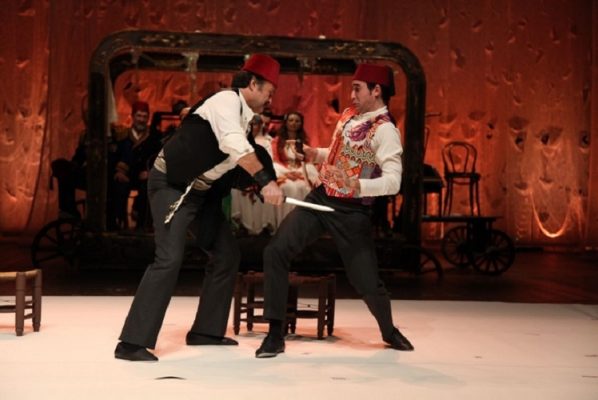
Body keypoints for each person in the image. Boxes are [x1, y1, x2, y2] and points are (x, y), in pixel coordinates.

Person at [115, 54, 284, 362]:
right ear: (253, 83)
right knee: (168, 257)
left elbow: (228, 165)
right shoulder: (225, 102)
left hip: (201, 193)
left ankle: (206, 331)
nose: (271, 99)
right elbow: (233, 145)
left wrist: (259, 185)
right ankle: (130, 343)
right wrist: (264, 180)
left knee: (226, 253)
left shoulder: (244, 121)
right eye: (269, 91)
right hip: (172, 185)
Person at [255, 63, 414, 358]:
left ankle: (388, 330)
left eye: (357, 88)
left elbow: (393, 182)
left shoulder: (386, 131)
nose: (351, 94)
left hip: (351, 211)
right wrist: (316, 154)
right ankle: (275, 333)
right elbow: (339, 153)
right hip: (320, 198)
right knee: (276, 250)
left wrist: (357, 185)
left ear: (376, 90)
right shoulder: (349, 115)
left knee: (366, 281)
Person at [111, 101, 162, 230]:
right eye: (139, 116)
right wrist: (118, 172)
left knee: (148, 188)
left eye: (145, 117)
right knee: (118, 187)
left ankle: (142, 226)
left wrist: (150, 172)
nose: (141, 120)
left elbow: (158, 159)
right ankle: (118, 223)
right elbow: (115, 157)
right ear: (133, 116)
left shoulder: (154, 138)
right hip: (126, 175)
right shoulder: (123, 136)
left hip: (143, 177)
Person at [231, 114, 277, 235]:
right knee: (235, 192)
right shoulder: (231, 149)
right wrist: (243, 186)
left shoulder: (261, 150)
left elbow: (270, 173)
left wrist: (256, 185)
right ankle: (240, 225)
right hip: (237, 185)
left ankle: (264, 225)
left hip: (259, 184)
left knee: (267, 192)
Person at [271, 111, 318, 227]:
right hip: (282, 172)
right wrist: (286, 173)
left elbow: (307, 160)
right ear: (286, 122)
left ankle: (301, 225)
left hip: (301, 172)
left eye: (297, 121)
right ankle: (284, 224)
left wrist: (299, 173)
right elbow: (275, 160)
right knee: (287, 187)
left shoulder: (304, 142)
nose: (294, 123)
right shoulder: (277, 141)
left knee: (304, 188)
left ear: (301, 124)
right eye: (291, 120)